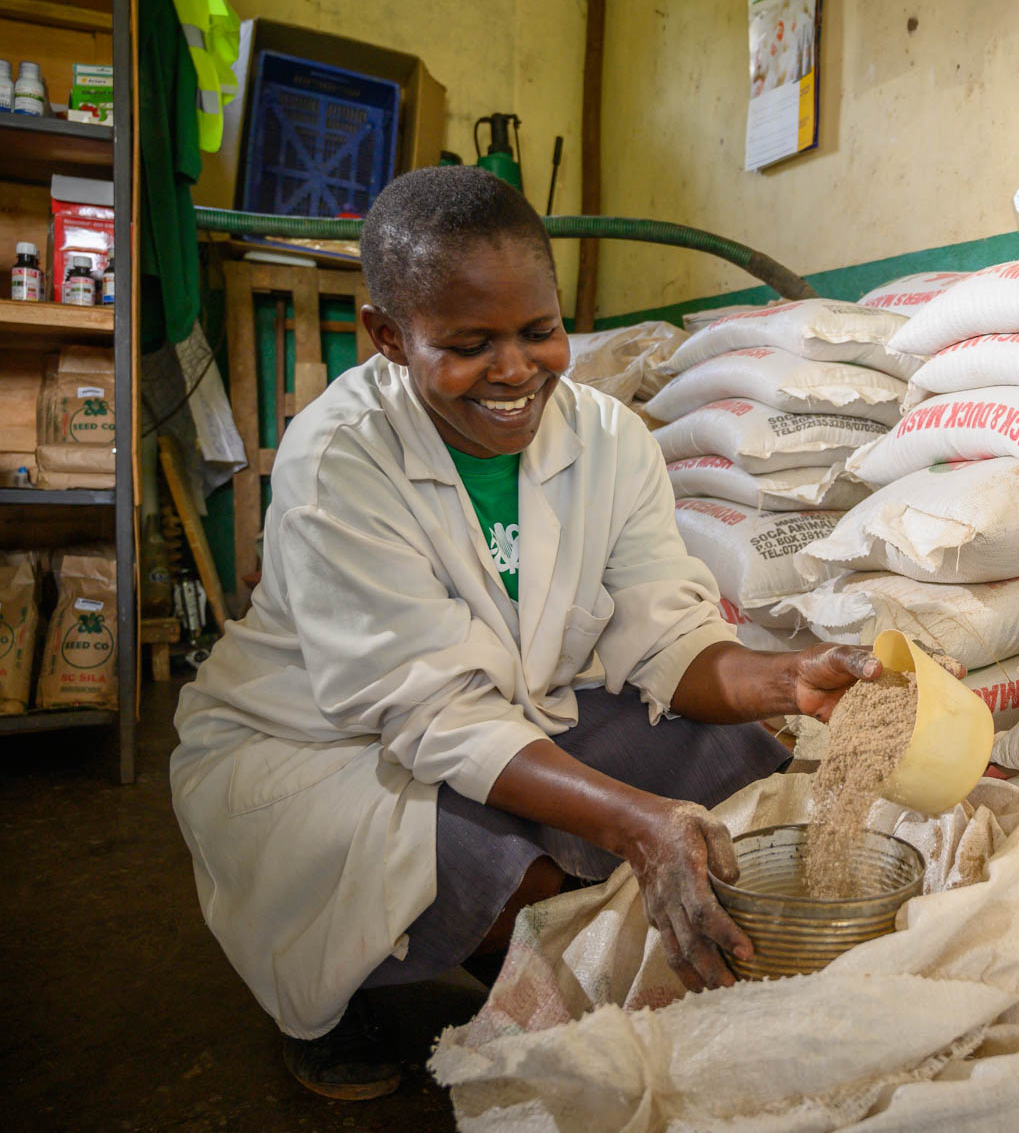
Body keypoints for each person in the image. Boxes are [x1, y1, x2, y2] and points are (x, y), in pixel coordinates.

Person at [169, 167, 886, 1100]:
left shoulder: (608, 437)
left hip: (502, 713)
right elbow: (430, 714)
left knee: (733, 757)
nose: (515, 371)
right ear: (388, 336)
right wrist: (636, 824)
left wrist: (789, 679)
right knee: (473, 865)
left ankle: (559, 953)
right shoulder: (340, 457)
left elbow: (666, 637)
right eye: (469, 345)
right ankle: (366, 993)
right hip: (320, 749)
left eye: (539, 332)